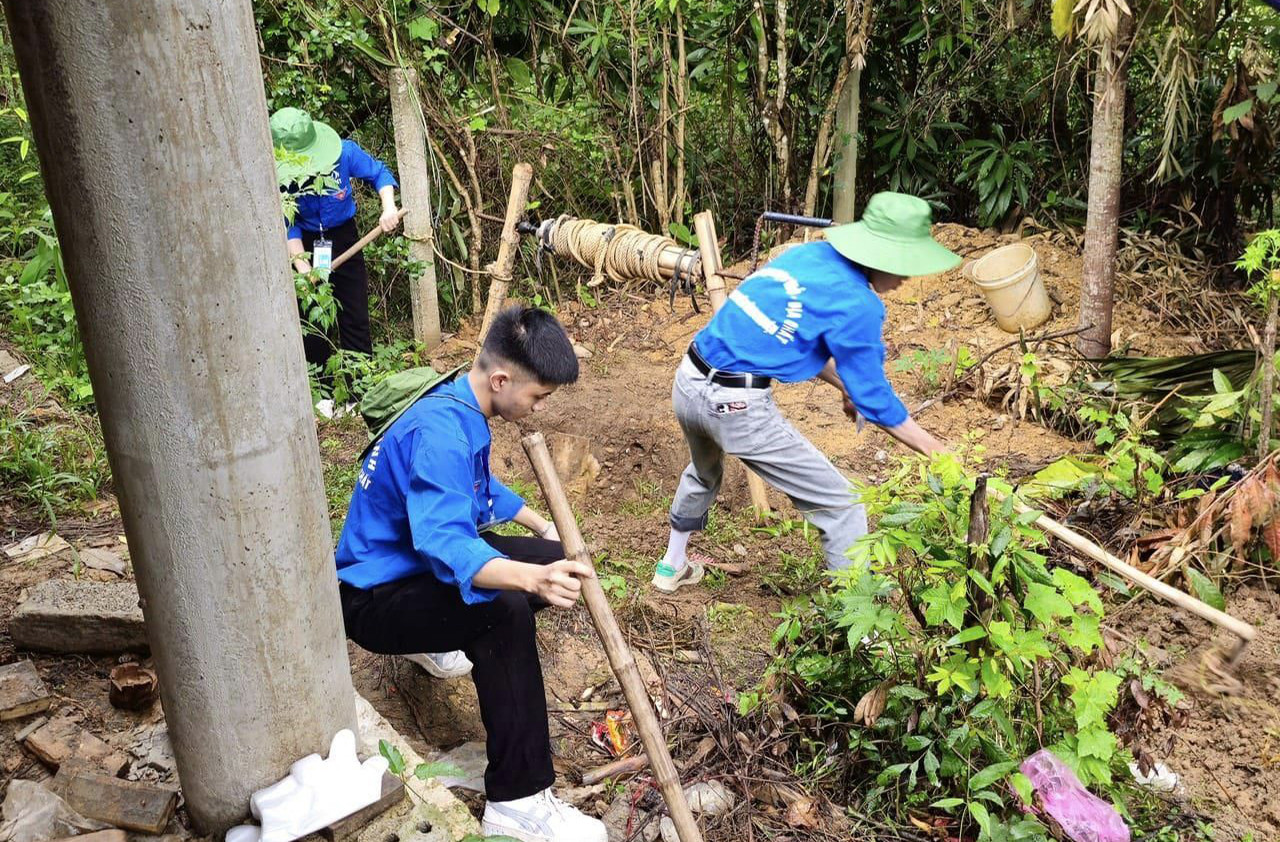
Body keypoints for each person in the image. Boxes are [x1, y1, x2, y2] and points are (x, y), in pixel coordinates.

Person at [334, 306, 607, 842]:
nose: (537, 409)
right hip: (372, 596)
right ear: (502, 380)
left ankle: (437, 638)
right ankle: (520, 799)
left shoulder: (460, 402)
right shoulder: (442, 433)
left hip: (405, 567)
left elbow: (475, 491)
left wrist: (536, 525)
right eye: (538, 397)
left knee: (544, 561)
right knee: (500, 613)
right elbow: (441, 540)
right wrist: (527, 581)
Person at [651, 192, 959, 593]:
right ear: (880, 255)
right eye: (903, 266)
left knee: (704, 471)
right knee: (843, 504)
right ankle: (855, 625)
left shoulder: (804, 259)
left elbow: (797, 342)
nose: (905, 280)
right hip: (735, 406)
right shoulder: (859, 303)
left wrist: (850, 386)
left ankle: (672, 565)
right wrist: (936, 450)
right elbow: (877, 400)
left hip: (689, 382)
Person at [270, 106, 402, 379]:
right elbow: (288, 225)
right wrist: (305, 272)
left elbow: (379, 174)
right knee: (314, 321)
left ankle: (361, 388)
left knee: (354, 313)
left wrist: (388, 208)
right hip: (306, 245)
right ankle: (324, 396)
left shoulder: (344, 153)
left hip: (343, 238)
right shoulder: (280, 178)